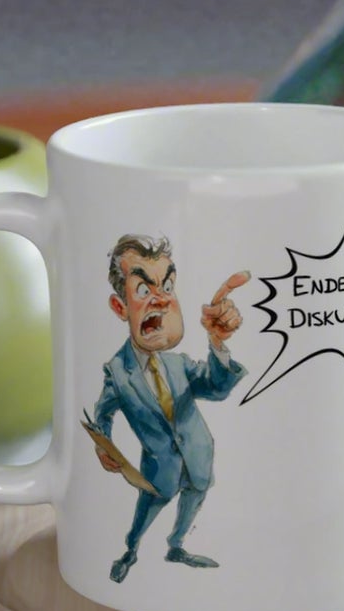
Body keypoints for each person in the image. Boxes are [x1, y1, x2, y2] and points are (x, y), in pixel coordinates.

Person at [88, 233, 247, 583]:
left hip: (198, 456)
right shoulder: (117, 371)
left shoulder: (179, 364)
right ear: (120, 307)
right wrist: (103, 445)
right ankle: (130, 550)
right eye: (144, 291)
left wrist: (217, 343)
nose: (160, 299)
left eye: (168, 286)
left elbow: (217, 388)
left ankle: (176, 545)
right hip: (158, 471)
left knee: (195, 495)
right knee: (146, 513)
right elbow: (103, 414)